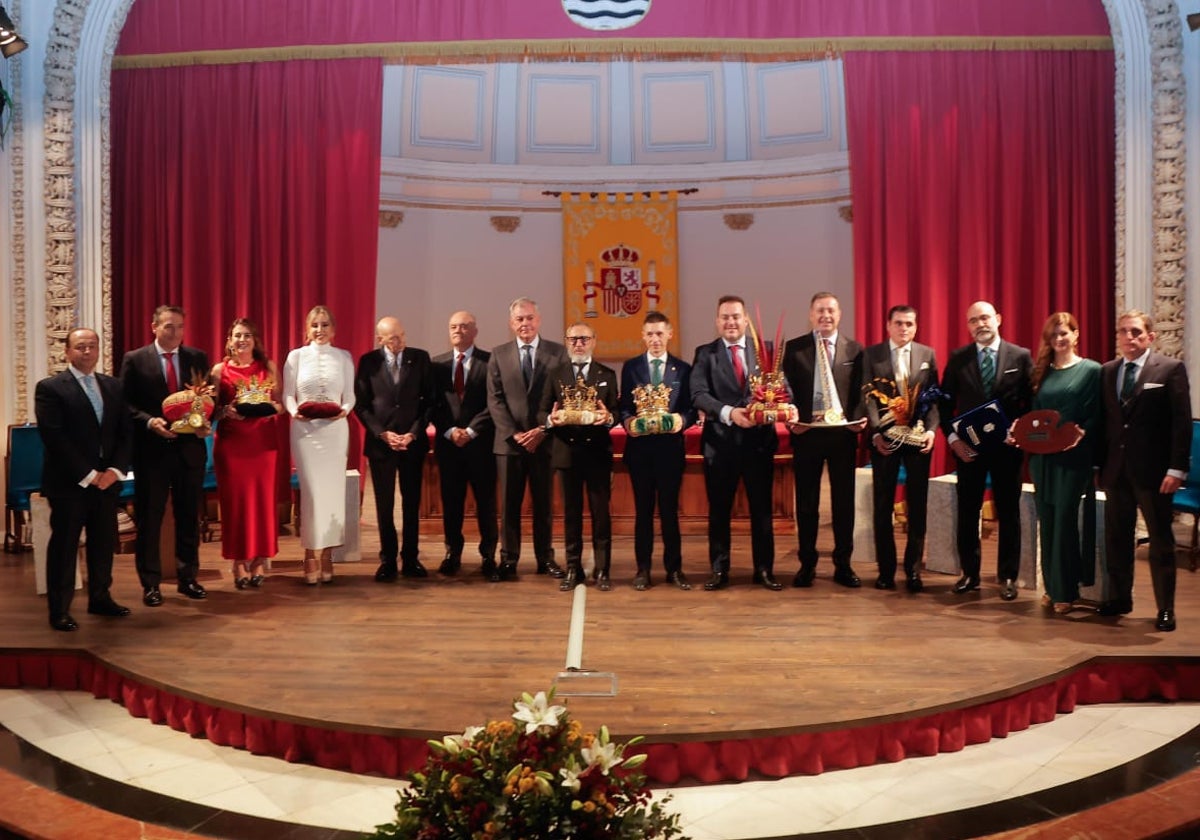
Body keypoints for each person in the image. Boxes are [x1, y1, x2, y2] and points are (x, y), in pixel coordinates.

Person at [35, 328, 134, 631]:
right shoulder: (51, 388)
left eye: (92, 346)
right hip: (70, 483)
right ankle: (60, 609)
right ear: (67, 351)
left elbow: (125, 434)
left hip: (107, 482)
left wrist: (114, 471)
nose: (87, 351)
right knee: (65, 545)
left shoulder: (113, 386)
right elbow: (55, 437)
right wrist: (90, 475)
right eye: (80, 347)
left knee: (103, 543)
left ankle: (100, 598)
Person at [1099, 310, 1191, 632]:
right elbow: (1107, 424)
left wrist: (1177, 468)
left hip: (1154, 474)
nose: (1129, 338)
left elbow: (1181, 423)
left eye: (1136, 332)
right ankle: (1121, 598)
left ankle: (1166, 608)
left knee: (1161, 542)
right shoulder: (1108, 371)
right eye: (1123, 331)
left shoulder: (1170, 369)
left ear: (1150, 336)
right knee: (1117, 539)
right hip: (1116, 472)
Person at [940, 300, 1033, 600]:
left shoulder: (1021, 356)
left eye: (985, 318)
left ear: (998, 319)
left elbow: (1031, 404)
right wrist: (953, 440)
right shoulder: (958, 358)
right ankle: (970, 574)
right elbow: (944, 404)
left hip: (1007, 451)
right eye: (973, 320)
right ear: (967, 326)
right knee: (968, 512)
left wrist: (1020, 431)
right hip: (970, 451)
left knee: (1009, 514)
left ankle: (1008, 576)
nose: (980, 324)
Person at [120, 305, 211, 607]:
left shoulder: (197, 358)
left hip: (189, 451)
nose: (175, 333)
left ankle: (188, 578)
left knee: (188, 517)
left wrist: (205, 423)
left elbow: (206, 400)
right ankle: (150, 584)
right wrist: (149, 421)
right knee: (150, 519)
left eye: (181, 327)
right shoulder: (135, 359)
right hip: (152, 452)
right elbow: (125, 404)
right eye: (169, 326)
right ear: (154, 327)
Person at [691, 295, 781, 591]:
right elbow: (699, 394)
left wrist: (781, 407)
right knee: (719, 511)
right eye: (724, 317)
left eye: (736, 316)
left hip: (758, 445)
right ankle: (719, 570)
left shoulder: (766, 351)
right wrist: (730, 413)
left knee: (762, 511)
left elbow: (784, 389)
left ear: (746, 321)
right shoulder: (705, 353)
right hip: (720, 445)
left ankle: (765, 570)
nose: (730, 322)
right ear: (717, 322)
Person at [1016, 313, 1102, 614]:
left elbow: (1096, 413)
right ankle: (1052, 589)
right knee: (1048, 521)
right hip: (1042, 460)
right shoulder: (1042, 372)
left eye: (1064, 333)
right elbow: (1034, 415)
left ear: (1076, 335)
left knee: (1065, 520)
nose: (1059, 340)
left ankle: (1067, 590)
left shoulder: (1092, 370)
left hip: (1073, 457)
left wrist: (1082, 432)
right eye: (1053, 336)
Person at [782, 292, 867, 588]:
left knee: (844, 504)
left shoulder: (855, 350)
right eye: (820, 311)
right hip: (806, 434)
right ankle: (807, 564)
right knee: (807, 504)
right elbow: (785, 390)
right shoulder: (793, 349)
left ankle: (843, 565)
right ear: (810, 314)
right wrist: (791, 415)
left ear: (839, 314)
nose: (825, 316)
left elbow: (861, 392)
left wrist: (858, 418)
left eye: (831, 310)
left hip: (843, 437)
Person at [486, 297, 569, 582]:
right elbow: (495, 400)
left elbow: (564, 399)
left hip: (545, 443)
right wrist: (515, 434)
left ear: (539, 320)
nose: (525, 323)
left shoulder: (558, 354)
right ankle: (508, 560)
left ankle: (545, 559)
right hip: (509, 445)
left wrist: (542, 430)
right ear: (511, 324)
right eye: (519, 319)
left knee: (544, 505)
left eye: (530, 317)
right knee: (509, 507)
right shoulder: (498, 354)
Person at [861, 305, 939, 593]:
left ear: (915, 327)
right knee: (883, 506)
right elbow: (867, 398)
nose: (904, 328)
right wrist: (875, 433)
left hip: (918, 440)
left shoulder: (927, 354)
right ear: (888, 325)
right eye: (898, 323)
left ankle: (914, 570)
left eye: (909, 324)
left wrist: (931, 431)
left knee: (917, 505)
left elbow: (933, 399)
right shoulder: (872, 355)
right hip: (885, 440)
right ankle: (886, 572)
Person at [619, 311, 696, 591]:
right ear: (642, 336)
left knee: (669, 513)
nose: (655, 339)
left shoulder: (683, 369)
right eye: (649, 334)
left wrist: (681, 421)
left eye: (660, 333)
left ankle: (674, 569)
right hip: (640, 451)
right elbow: (624, 407)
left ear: (670, 334)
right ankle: (643, 570)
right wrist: (628, 422)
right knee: (642, 513)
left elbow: (690, 409)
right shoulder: (630, 368)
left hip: (670, 451)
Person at [539, 323, 619, 591]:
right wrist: (551, 419)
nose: (578, 344)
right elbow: (541, 412)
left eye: (584, 338)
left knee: (601, 515)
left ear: (594, 341)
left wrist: (609, 418)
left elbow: (615, 413)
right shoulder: (555, 374)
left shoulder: (606, 374)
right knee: (571, 515)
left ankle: (603, 569)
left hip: (597, 453)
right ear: (566, 342)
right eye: (573, 339)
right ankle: (573, 568)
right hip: (567, 452)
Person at [355, 316, 435, 582]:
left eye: (402, 335)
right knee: (385, 504)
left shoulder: (420, 358)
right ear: (381, 340)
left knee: (412, 503)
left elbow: (428, 403)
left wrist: (413, 433)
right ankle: (388, 559)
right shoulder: (369, 362)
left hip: (412, 444)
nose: (400, 341)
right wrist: (382, 433)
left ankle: (411, 558)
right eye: (393, 338)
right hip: (382, 446)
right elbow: (362, 405)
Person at [283, 305, 356, 585]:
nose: (320, 330)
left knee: (331, 493)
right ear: (307, 329)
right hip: (305, 431)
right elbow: (289, 394)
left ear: (333, 329)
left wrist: (344, 411)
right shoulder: (296, 357)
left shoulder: (344, 357)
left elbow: (350, 395)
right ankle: (309, 554)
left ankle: (326, 555)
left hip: (335, 431)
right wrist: (294, 412)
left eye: (325, 325)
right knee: (312, 494)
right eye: (315, 325)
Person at [210, 318, 282, 589]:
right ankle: (238, 561)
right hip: (232, 445)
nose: (242, 340)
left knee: (262, 502)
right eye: (237, 335)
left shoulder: (268, 367)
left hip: (263, 444)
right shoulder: (219, 370)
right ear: (229, 340)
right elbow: (210, 409)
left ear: (255, 340)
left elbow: (280, 404)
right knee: (235, 504)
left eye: (248, 335)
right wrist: (225, 412)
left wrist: (268, 409)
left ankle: (260, 559)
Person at [431, 311, 498, 577]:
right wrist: (448, 431)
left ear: (475, 331)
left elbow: (495, 403)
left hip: (481, 446)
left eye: (464, 326)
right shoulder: (436, 365)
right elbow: (431, 405)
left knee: (486, 504)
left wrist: (471, 430)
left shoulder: (490, 362)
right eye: (453, 327)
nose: (458, 330)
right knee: (452, 503)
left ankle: (489, 556)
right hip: (449, 447)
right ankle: (452, 553)